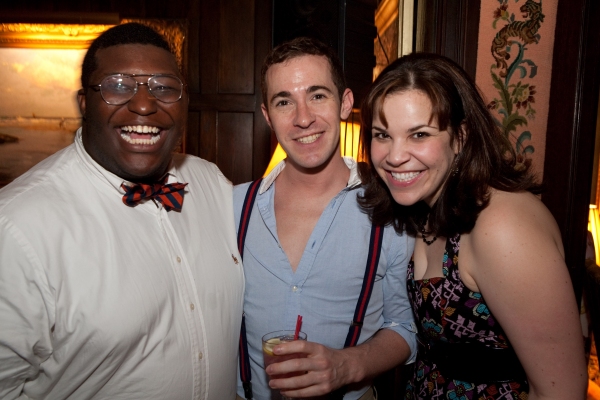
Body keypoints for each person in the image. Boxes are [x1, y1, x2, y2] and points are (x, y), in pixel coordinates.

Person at [0, 23, 244, 399]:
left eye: (163, 87)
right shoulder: (18, 226)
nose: (144, 104)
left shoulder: (209, 182)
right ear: (84, 103)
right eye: (117, 85)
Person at [358, 52, 587, 399]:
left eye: (419, 134)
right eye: (382, 134)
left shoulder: (501, 225)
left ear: (461, 137)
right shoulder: (426, 206)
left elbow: (563, 390)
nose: (394, 155)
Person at [234, 36, 417, 400]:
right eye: (284, 101)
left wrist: (346, 366)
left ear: (345, 104)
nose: (303, 118)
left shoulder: (393, 211)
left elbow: (404, 327)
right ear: (268, 116)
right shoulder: (233, 206)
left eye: (318, 95)